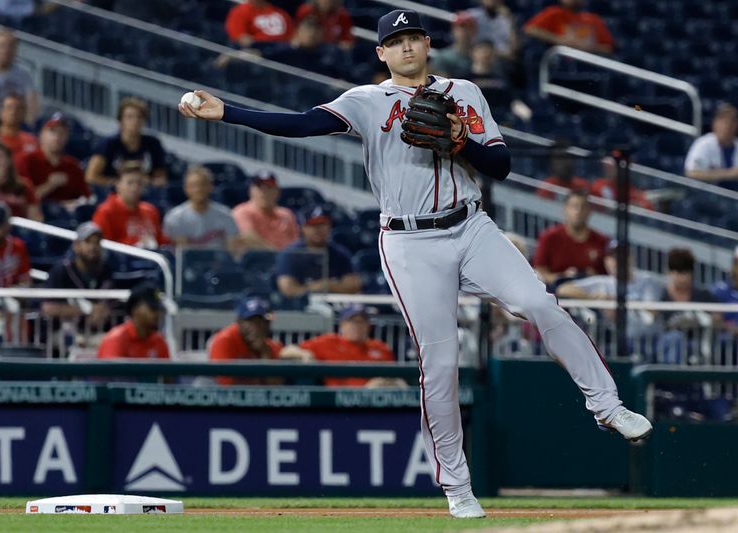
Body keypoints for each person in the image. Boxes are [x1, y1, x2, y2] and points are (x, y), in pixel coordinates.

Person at [178, 9, 652, 518]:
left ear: (427, 44)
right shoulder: (366, 100)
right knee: (440, 364)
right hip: (409, 241)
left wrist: (458, 142)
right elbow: (301, 123)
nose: (405, 47)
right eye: (394, 41)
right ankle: (457, 487)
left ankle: (607, 406)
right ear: (380, 53)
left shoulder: (466, 92)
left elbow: (501, 165)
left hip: (471, 225)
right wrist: (227, 112)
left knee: (541, 303)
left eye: (412, 38)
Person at [556, 240, 664, 338]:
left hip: (648, 338)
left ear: (630, 258)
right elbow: (563, 289)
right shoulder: (602, 281)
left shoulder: (647, 280)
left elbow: (652, 311)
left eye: (620, 256)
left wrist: (613, 300)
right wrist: (593, 298)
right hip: (616, 341)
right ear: (606, 261)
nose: (616, 261)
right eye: (612, 257)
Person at [280, 304, 404, 387]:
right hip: (337, 403)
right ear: (342, 325)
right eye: (352, 321)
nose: (357, 326)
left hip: (374, 402)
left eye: (361, 322)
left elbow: (394, 378)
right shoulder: (328, 342)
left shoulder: (380, 348)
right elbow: (286, 351)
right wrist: (304, 354)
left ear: (368, 326)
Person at [275, 205, 361, 299]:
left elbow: (353, 286)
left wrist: (326, 285)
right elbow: (288, 289)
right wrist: (316, 287)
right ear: (303, 228)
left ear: (329, 227)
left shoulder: (340, 254)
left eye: (322, 224)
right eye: (312, 225)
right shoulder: (291, 254)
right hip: (300, 309)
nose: (317, 229)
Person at [42, 221, 114, 329]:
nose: (93, 247)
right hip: (64, 333)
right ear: (76, 245)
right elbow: (48, 308)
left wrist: (103, 312)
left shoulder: (106, 270)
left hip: (96, 333)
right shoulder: (62, 270)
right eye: (88, 242)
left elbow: (111, 305)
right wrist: (87, 309)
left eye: (97, 242)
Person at [85, 97, 167, 187]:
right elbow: (90, 177)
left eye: (139, 117)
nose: (135, 121)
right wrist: (118, 184)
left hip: (145, 191)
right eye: (130, 117)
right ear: (121, 121)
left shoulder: (153, 143)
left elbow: (160, 176)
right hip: (112, 192)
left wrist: (153, 181)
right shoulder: (107, 144)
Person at [533, 191, 609, 286]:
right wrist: (563, 277)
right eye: (574, 206)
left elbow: (608, 275)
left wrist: (593, 276)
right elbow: (540, 271)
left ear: (590, 210)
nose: (578, 211)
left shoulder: (602, 240)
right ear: (565, 209)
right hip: (558, 291)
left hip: (595, 291)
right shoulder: (549, 237)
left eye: (583, 207)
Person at [654, 249, 716, 364]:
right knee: (675, 338)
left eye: (684, 273)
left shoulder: (703, 295)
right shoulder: (660, 294)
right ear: (669, 272)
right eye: (676, 272)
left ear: (691, 273)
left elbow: (717, 317)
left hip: (698, 343)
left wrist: (701, 320)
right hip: (665, 345)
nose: (681, 278)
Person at [208, 295, 283, 386]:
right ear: (239, 322)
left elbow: (276, 386)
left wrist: (264, 351)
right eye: (250, 321)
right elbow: (226, 385)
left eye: (260, 321)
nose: (255, 327)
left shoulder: (270, 345)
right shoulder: (225, 340)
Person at [162, 165, 241, 251]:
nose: (198, 189)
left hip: (219, 262)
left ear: (211, 187)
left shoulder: (226, 215)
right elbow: (182, 253)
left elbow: (233, 250)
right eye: (193, 185)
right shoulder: (175, 218)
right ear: (186, 189)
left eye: (203, 184)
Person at [15, 112, 89, 203]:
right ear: (41, 134)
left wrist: (72, 204)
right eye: (52, 131)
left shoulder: (73, 165)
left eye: (62, 132)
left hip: (68, 215)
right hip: (35, 215)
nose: (57, 137)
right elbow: (21, 200)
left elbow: (86, 198)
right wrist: (50, 185)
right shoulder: (26, 160)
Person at [92, 161, 167, 248]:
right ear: (118, 185)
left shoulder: (151, 211)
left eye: (139, 183)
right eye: (130, 183)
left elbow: (161, 241)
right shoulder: (105, 212)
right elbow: (104, 248)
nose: (134, 188)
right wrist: (137, 243)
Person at [97, 285, 169, 359]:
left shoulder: (159, 341)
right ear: (135, 309)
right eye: (152, 309)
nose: (157, 314)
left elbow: (167, 370)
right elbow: (110, 370)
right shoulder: (116, 340)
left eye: (159, 310)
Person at [232, 171, 299, 250]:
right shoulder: (242, 211)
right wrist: (276, 254)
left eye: (269, 188)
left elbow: (296, 241)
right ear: (251, 190)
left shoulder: (286, 214)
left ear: (277, 191)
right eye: (260, 188)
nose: (264, 192)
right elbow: (248, 237)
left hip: (289, 258)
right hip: (260, 259)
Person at [523, 0, 614, 55]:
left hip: (590, 63)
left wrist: (588, 47)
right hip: (562, 62)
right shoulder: (554, 13)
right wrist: (560, 40)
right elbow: (530, 29)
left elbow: (608, 48)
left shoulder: (593, 19)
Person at [684, 103, 738, 190]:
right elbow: (691, 173)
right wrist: (729, 174)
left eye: (731, 121)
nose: (727, 125)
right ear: (715, 123)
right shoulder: (704, 143)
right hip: (706, 196)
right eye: (723, 120)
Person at [225, 0, 295, 48]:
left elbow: (293, 39)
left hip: (282, 51)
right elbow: (241, 38)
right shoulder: (240, 11)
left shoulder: (281, 14)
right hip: (255, 52)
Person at [430, 12, 476, 79]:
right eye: (461, 27)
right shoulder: (443, 57)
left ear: (474, 31)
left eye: (469, 28)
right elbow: (443, 84)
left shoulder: (481, 56)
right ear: (453, 30)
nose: (464, 32)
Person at [0, 93, 38, 159]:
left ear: (24, 113)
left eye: (18, 108)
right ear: (0, 112)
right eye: (9, 107)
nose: (13, 112)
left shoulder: (31, 141)